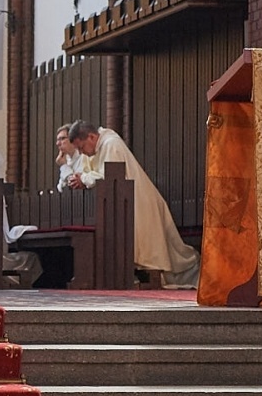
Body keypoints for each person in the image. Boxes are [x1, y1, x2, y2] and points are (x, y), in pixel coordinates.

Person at [57, 120, 200, 287]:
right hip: (125, 203)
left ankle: (181, 274)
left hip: (139, 203)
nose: (82, 153)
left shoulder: (112, 145)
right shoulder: (98, 148)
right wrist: (81, 177)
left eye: (81, 148)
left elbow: (110, 175)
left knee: (160, 255)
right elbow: (94, 173)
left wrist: (84, 178)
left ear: (91, 137)